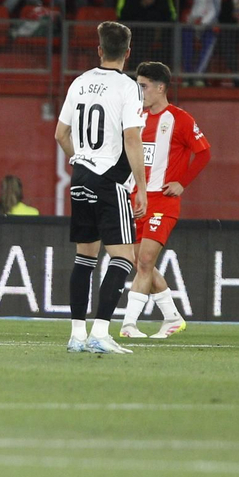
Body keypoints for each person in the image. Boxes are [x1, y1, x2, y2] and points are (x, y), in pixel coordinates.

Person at [56, 20, 148, 354]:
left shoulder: (79, 82)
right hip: (109, 180)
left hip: (80, 177)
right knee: (124, 258)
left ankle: (77, 335)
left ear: (99, 49)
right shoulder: (127, 87)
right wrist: (140, 185)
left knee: (85, 258)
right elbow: (132, 137)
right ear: (128, 52)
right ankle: (100, 331)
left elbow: (60, 135)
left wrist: (79, 161)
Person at [118, 61, 210, 339]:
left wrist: (182, 182)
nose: (140, 90)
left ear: (160, 87)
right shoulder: (137, 117)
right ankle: (171, 317)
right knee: (140, 262)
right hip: (137, 200)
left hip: (164, 202)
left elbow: (204, 153)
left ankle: (128, 325)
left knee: (145, 260)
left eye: (144, 85)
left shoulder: (180, 119)